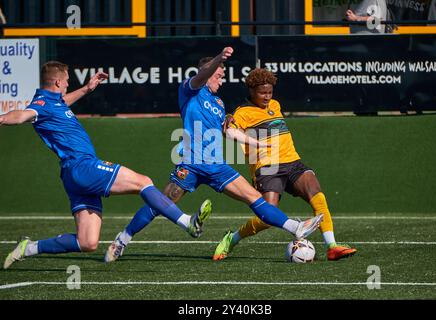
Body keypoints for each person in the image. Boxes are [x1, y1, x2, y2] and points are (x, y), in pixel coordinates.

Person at [104, 48, 324, 263]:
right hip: (191, 164)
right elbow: (201, 76)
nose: (222, 80)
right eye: (219, 75)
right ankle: (121, 240)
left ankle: (295, 227)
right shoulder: (190, 90)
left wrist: (256, 142)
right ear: (208, 73)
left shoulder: (219, 104)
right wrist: (219, 58)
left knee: (255, 199)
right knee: (159, 204)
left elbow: (229, 132)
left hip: (218, 166)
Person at [1, 61, 212, 269]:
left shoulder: (53, 102)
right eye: (66, 81)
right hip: (83, 167)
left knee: (87, 242)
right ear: (57, 82)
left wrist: (86, 89)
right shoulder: (41, 105)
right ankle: (187, 222)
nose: (67, 84)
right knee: (143, 182)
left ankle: (28, 248)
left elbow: (61, 103)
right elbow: (21, 115)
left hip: (72, 176)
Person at [212, 68, 357, 261]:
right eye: (262, 93)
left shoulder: (275, 105)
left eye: (270, 92)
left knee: (318, 197)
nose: (267, 96)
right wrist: (238, 127)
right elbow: (229, 132)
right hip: (268, 167)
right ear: (251, 91)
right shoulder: (243, 112)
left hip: (293, 161)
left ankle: (331, 246)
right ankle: (232, 238)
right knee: (268, 215)